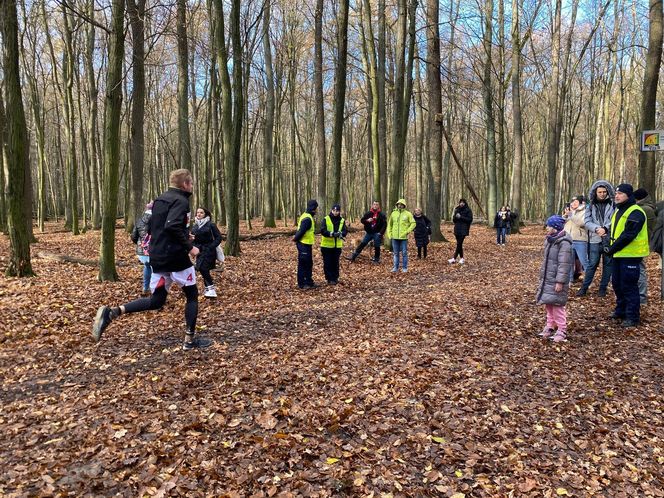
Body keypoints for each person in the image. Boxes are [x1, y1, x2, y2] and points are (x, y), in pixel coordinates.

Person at [92, 169, 211, 351]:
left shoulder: (159, 200)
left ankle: (113, 312)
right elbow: (171, 226)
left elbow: (157, 227)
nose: (192, 186)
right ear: (185, 184)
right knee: (192, 296)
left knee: (157, 300)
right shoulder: (181, 201)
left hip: (157, 256)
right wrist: (190, 246)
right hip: (176, 258)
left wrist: (185, 234)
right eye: (192, 183)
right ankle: (189, 341)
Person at [604, 184, 649, 327]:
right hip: (618, 254)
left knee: (629, 285)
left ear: (629, 195)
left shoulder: (636, 212)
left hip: (631, 255)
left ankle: (632, 316)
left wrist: (611, 249)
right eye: (616, 193)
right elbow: (614, 231)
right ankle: (621, 310)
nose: (616, 196)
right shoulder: (618, 210)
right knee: (617, 284)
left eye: (620, 193)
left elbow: (628, 235)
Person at [536, 215, 573, 342]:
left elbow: (564, 264)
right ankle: (550, 326)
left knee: (557, 305)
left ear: (555, 228)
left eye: (549, 226)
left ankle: (562, 329)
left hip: (556, 280)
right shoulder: (549, 240)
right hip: (548, 278)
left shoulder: (564, 243)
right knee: (549, 303)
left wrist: (560, 281)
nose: (547, 228)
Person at [577, 180, 614, 297]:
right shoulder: (590, 206)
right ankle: (584, 288)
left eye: (604, 192)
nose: (602, 194)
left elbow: (615, 220)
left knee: (608, 264)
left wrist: (606, 229)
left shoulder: (613, 205)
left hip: (609, 238)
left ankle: (603, 288)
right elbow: (587, 221)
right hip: (595, 239)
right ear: (595, 192)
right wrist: (597, 228)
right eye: (600, 192)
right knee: (592, 264)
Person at [191, 207, 223, 298]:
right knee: (201, 268)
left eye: (201, 212)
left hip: (209, 251)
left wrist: (211, 247)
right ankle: (208, 289)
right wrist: (193, 248)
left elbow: (218, 237)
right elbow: (193, 239)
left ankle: (211, 289)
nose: (199, 214)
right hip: (199, 251)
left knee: (203, 268)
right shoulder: (195, 226)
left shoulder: (211, 225)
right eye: (197, 212)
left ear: (205, 214)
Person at [634, 188, 656, 305]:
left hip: (641, 243)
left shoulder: (644, 209)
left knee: (640, 270)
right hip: (642, 242)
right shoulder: (646, 207)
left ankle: (642, 297)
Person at [293, 199, 318, 289]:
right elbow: (301, 231)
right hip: (303, 244)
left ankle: (309, 281)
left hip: (307, 244)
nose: (316, 211)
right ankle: (302, 283)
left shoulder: (307, 215)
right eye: (316, 208)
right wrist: (295, 239)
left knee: (309, 263)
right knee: (303, 264)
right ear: (313, 208)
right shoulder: (307, 218)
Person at [562, 195, 589, 281]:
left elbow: (581, 223)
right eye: (572, 201)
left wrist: (571, 215)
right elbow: (562, 223)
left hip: (580, 240)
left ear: (580, 203)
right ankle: (570, 280)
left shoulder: (585, 211)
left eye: (576, 202)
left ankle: (588, 280)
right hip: (568, 239)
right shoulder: (569, 211)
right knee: (569, 262)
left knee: (584, 261)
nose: (573, 203)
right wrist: (565, 216)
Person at [319, 204, 347, 284]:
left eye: (337, 211)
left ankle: (335, 278)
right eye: (334, 211)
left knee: (335, 262)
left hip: (337, 246)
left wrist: (340, 233)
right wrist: (331, 234)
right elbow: (323, 231)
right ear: (331, 210)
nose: (335, 212)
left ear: (339, 211)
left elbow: (345, 231)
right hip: (326, 246)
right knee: (327, 262)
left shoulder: (342, 220)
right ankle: (329, 278)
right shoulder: (326, 219)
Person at [387, 199, 416, 272]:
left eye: (401, 204)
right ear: (397, 205)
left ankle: (404, 268)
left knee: (404, 253)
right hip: (394, 237)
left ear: (404, 205)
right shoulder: (393, 213)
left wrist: (407, 231)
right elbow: (389, 225)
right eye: (398, 204)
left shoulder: (408, 214)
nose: (400, 205)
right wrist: (390, 234)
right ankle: (395, 268)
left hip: (403, 237)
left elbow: (413, 223)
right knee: (396, 253)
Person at [130, 201, 153, 295]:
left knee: (147, 267)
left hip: (142, 251)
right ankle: (154, 289)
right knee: (155, 269)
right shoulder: (159, 220)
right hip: (155, 250)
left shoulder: (140, 220)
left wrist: (140, 243)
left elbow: (133, 236)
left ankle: (146, 287)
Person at [448, 198, 473, 264]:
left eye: (463, 202)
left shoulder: (468, 210)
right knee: (459, 244)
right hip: (457, 228)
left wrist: (461, 217)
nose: (461, 203)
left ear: (465, 203)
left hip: (464, 229)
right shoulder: (457, 209)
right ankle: (462, 258)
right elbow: (454, 220)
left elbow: (470, 220)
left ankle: (454, 258)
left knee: (459, 243)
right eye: (460, 202)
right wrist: (455, 217)